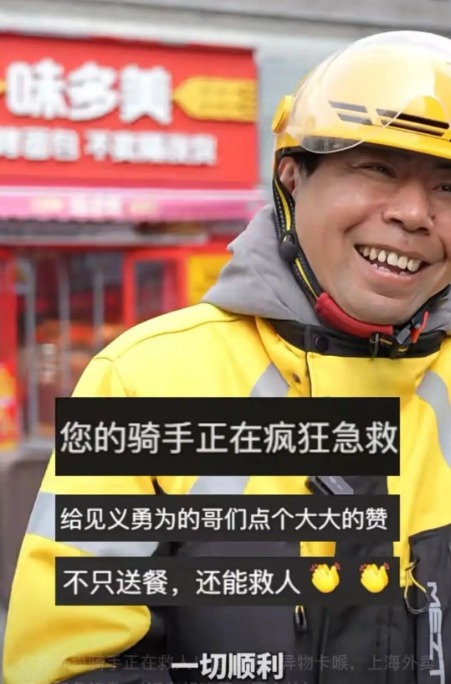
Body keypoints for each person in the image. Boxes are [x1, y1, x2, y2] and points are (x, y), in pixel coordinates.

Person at [4, 29, 451, 684]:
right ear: (292, 178)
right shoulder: (148, 382)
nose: (413, 214)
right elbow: (67, 666)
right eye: (376, 168)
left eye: (447, 188)